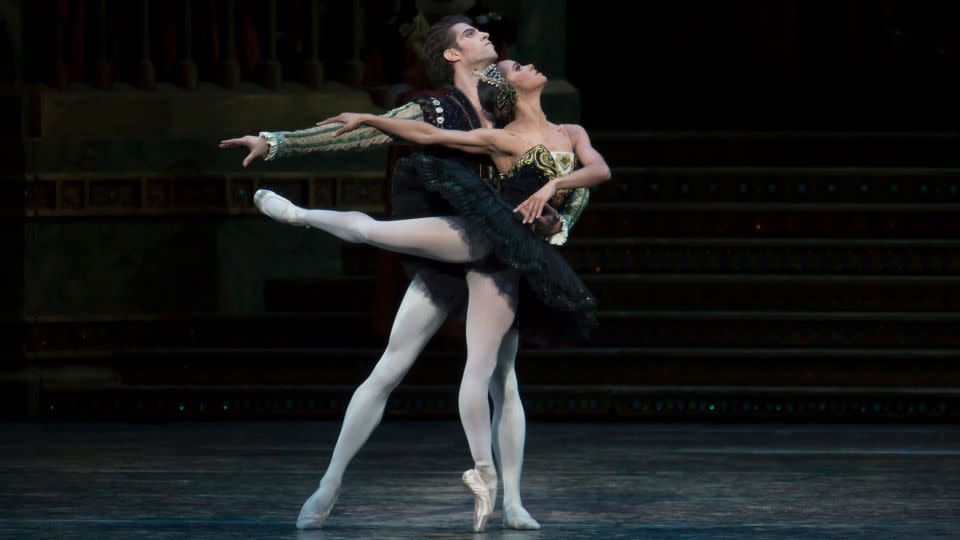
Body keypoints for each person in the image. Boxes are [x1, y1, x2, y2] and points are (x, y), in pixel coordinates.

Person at [218, 17, 590, 532]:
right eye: (470, 35)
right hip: (448, 239)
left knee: (504, 378)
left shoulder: (508, 109)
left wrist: (557, 220)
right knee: (390, 366)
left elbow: (562, 168)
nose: (483, 37)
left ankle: (513, 501)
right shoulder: (435, 106)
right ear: (452, 55)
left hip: (500, 253)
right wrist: (278, 141)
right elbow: (361, 132)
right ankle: (330, 482)